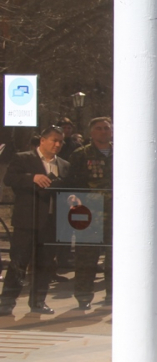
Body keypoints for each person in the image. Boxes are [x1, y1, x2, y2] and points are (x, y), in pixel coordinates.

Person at [0, 126, 71, 315]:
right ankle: (6, 302)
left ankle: (38, 301)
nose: (57, 144)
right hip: (27, 220)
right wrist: (32, 178)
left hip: (51, 222)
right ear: (42, 140)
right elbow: (9, 179)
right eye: (54, 140)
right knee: (19, 261)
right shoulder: (24, 158)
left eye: (61, 141)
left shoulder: (63, 164)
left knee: (45, 263)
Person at [67, 117, 114, 309]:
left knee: (115, 257)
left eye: (106, 128)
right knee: (86, 257)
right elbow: (72, 184)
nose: (103, 131)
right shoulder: (80, 155)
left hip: (115, 215)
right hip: (90, 215)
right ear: (91, 132)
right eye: (99, 128)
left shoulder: (122, 153)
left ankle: (114, 294)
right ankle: (84, 296)